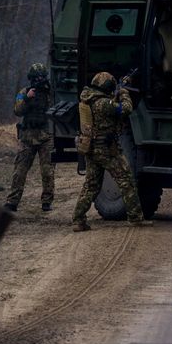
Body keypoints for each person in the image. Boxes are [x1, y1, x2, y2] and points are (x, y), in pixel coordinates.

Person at [72, 71, 147, 230]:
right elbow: (126, 109)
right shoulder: (104, 103)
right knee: (126, 181)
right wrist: (124, 93)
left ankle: (78, 220)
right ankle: (135, 218)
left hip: (91, 149)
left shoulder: (88, 100)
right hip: (107, 150)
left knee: (91, 186)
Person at [5, 63, 54, 213]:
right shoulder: (24, 92)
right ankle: (12, 202)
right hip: (27, 137)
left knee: (47, 171)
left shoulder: (50, 92)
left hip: (46, 136)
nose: (39, 80)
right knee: (19, 171)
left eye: (41, 77)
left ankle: (47, 202)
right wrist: (27, 98)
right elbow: (17, 111)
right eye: (36, 78)